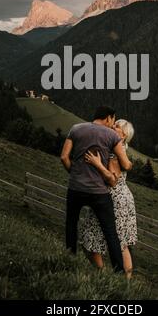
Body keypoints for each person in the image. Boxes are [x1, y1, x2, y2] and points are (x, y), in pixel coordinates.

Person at [60, 106, 132, 273]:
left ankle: (70, 259)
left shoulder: (76, 128)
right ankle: (119, 272)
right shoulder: (112, 135)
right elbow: (125, 163)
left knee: (71, 223)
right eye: (113, 120)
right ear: (108, 118)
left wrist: (74, 173)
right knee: (111, 233)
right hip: (99, 192)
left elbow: (64, 156)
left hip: (75, 188)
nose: (112, 124)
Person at [80, 119, 137, 278]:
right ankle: (125, 283)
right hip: (124, 198)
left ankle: (102, 276)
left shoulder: (114, 150)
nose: (113, 126)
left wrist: (96, 163)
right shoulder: (121, 148)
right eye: (114, 124)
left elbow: (113, 178)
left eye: (117, 126)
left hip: (112, 198)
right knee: (121, 242)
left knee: (89, 237)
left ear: (124, 135)